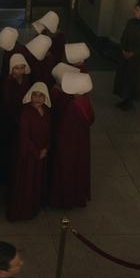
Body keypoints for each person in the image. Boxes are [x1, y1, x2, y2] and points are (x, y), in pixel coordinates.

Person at [8, 82, 52, 221]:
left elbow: (50, 131)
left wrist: (46, 148)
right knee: (26, 182)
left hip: (42, 152)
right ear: (30, 96)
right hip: (28, 155)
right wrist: (36, 152)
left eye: (41, 96)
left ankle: (35, 205)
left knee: (37, 181)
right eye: (35, 95)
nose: (38, 98)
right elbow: (24, 137)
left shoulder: (47, 111)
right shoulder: (26, 112)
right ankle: (24, 210)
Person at [50, 72, 94, 209]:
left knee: (67, 170)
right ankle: (78, 196)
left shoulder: (73, 108)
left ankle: (66, 200)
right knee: (78, 168)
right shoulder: (85, 101)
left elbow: (65, 130)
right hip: (81, 143)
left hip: (68, 145)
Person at [112, 3, 140, 111]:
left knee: (134, 79)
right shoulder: (130, 22)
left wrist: (133, 53)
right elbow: (124, 37)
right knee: (124, 77)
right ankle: (125, 99)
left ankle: (130, 101)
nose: (134, 11)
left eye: (138, 10)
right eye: (135, 9)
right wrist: (124, 50)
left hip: (138, 58)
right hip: (126, 55)